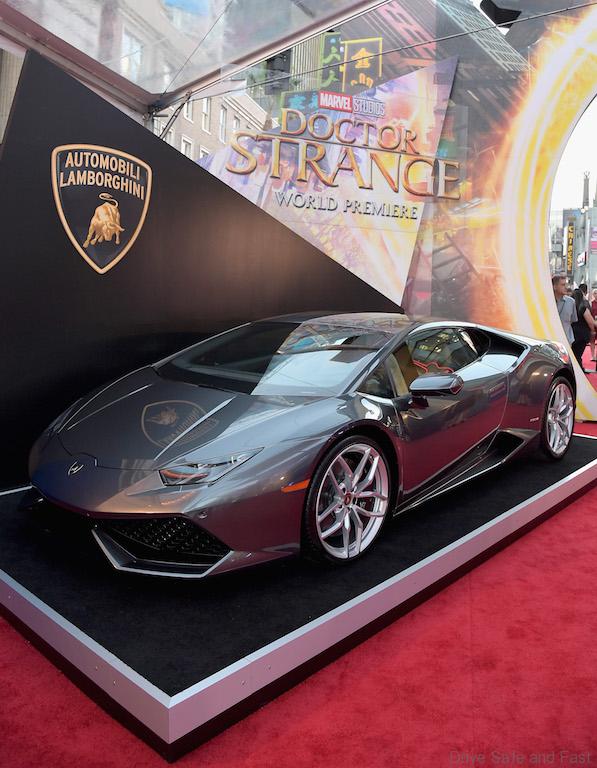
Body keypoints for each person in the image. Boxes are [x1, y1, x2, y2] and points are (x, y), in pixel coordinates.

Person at [571, 282, 595, 369]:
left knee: (574, 354)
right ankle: (579, 371)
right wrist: (592, 330)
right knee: (578, 354)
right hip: (582, 334)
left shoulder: (572, 306)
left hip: (572, 333)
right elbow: (590, 322)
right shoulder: (583, 306)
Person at [553, 275, 577, 348]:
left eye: (566, 284)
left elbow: (572, 320)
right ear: (554, 286)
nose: (566, 287)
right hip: (550, 341)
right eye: (563, 285)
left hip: (567, 341)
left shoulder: (571, 302)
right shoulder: (547, 301)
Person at [591, 288, 597, 361]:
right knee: (592, 340)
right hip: (592, 323)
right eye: (595, 293)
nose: (596, 294)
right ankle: (593, 355)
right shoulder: (591, 303)